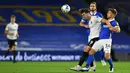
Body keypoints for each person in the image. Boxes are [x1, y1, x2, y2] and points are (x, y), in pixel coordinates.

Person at [81, 8, 120, 72]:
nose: (107, 14)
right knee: (91, 52)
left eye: (109, 13)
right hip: (100, 40)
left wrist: (112, 28)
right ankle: (87, 66)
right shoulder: (105, 21)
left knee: (107, 56)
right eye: (107, 12)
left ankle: (111, 66)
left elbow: (118, 30)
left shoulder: (114, 22)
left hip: (107, 40)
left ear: (113, 15)